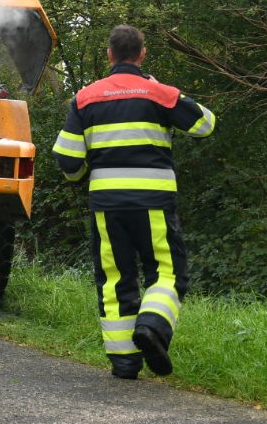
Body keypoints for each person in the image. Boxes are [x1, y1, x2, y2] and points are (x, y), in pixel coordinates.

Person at [52, 25, 216, 379]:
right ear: (142, 54)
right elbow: (205, 124)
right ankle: (152, 327)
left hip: (107, 206)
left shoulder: (85, 97)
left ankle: (125, 363)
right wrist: (162, 89)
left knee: (115, 279)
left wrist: (82, 176)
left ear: (109, 55)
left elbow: (67, 159)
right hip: (153, 201)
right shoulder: (158, 93)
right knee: (168, 272)